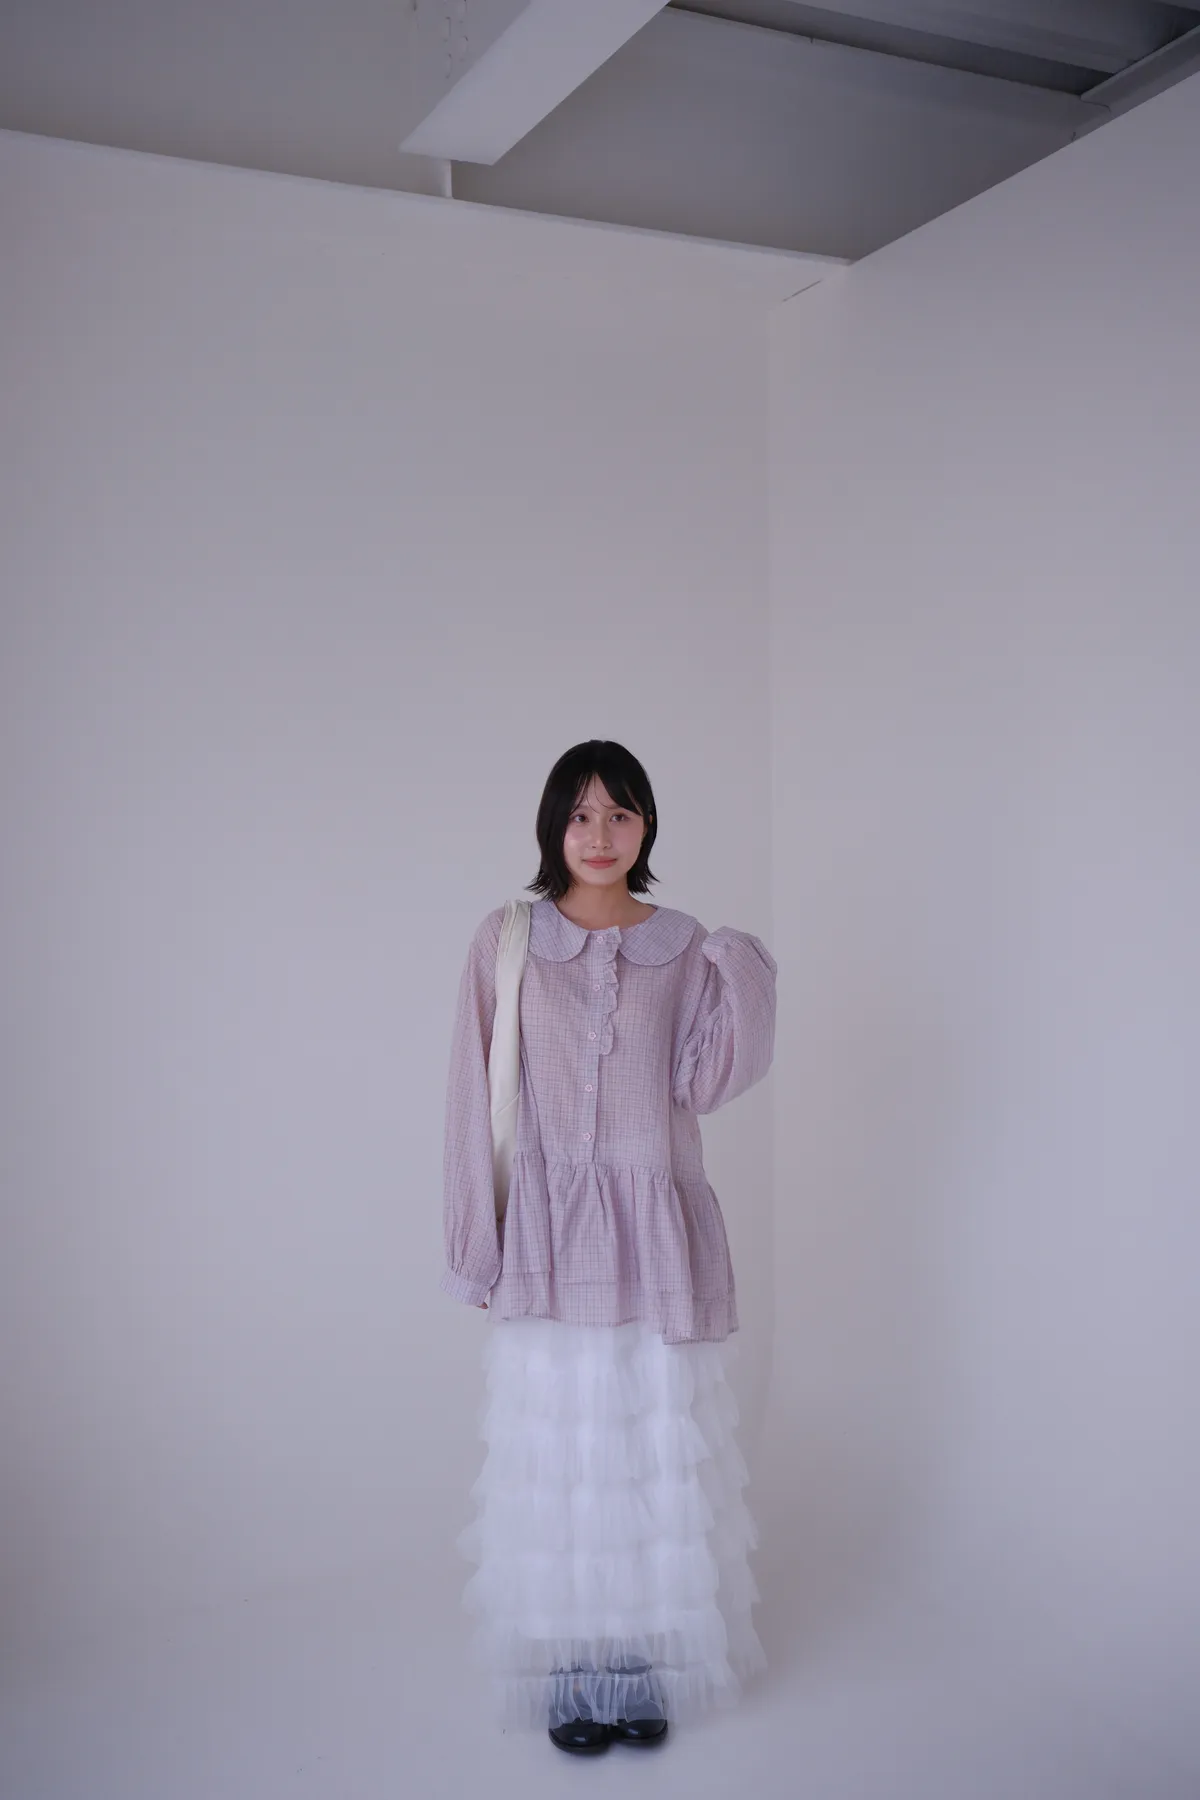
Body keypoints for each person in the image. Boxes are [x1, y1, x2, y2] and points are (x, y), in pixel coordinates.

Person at [441, 739, 777, 1754]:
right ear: (553, 825)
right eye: (581, 814)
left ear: (647, 826)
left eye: (620, 813)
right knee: (561, 1453)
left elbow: (704, 1084)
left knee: (641, 1453)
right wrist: (477, 1241)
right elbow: (470, 1096)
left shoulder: (684, 943)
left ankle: (634, 1660)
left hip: (652, 1237)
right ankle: (571, 1665)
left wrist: (744, 973)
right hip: (548, 1238)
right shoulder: (507, 939)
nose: (599, 834)